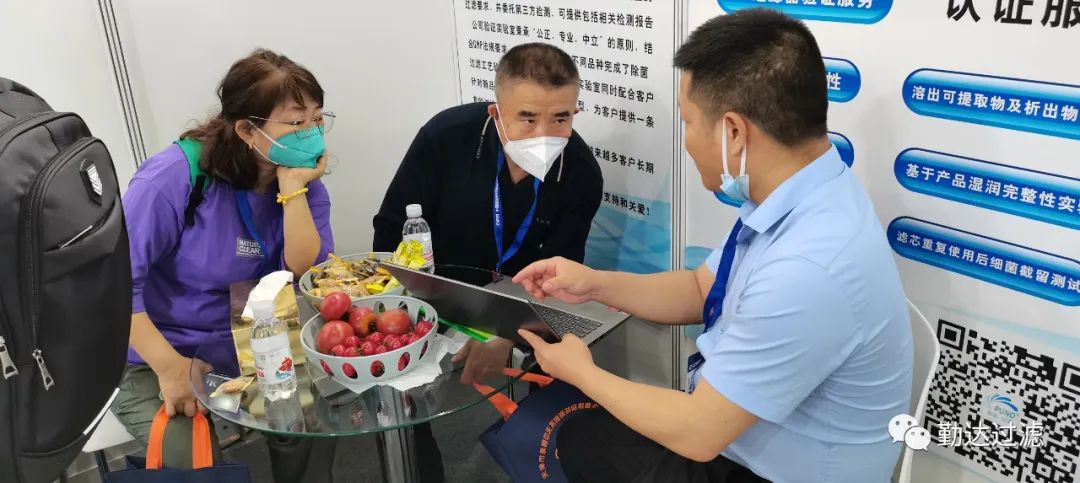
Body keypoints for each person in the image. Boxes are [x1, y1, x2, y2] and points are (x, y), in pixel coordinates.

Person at [512, 9, 914, 483]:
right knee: (591, 435)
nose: (686, 140)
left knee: (577, 439)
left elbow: (699, 433)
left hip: (765, 468)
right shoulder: (807, 191)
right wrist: (594, 284)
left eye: (688, 121)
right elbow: (701, 290)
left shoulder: (808, 265)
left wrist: (582, 372)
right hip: (740, 430)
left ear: (733, 132)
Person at [372, 42, 603, 482]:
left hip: (519, 305)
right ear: (496, 112)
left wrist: (506, 334)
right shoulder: (446, 137)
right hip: (434, 292)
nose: (544, 134)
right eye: (527, 117)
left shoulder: (580, 172)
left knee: (560, 375)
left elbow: (561, 274)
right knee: (405, 405)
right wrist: (410, 311)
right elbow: (390, 229)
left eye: (561, 118)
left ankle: (536, 458)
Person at [112, 49, 336, 482]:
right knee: (192, 461)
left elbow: (304, 271)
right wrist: (171, 368)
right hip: (156, 350)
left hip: (253, 341)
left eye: (317, 119)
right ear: (247, 130)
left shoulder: (300, 178)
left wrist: (292, 190)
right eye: (296, 123)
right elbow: (115, 287)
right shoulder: (173, 178)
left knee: (308, 425)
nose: (311, 134)